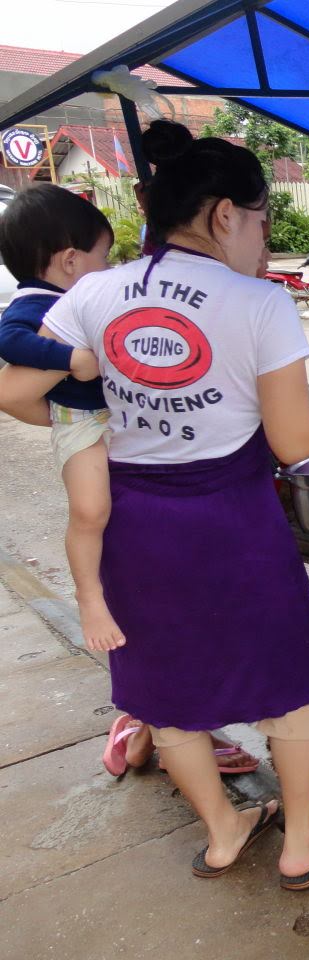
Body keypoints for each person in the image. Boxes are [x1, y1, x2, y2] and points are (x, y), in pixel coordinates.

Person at [0, 119, 309, 889]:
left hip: (134, 525)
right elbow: (294, 441)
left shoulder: (93, 291)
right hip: (232, 522)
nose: (263, 238)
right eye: (261, 221)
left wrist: (106, 415)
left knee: (164, 683)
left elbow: (15, 394)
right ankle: (303, 842)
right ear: (225, 214)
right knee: (290, 677)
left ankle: (223, 833)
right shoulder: (259, 302)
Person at [0, 186, 121, 650]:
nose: (107, 268)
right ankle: (90, 598)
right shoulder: (32, 304)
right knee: (90, 511)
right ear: (70, 261)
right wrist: (70, 358)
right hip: (81, 419)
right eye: (104, 257)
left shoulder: (76, 297)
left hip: (109, 415)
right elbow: (9, 343)